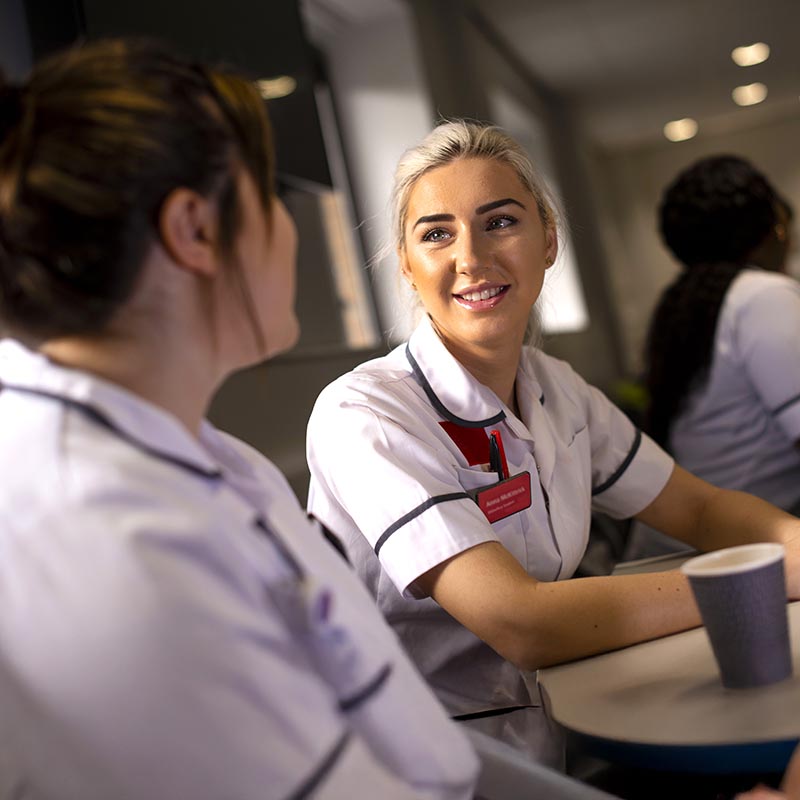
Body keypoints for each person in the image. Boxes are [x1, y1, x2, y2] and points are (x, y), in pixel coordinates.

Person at [0, 40, 478, 799]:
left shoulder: (214, 458)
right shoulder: (102, 535)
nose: (289, 235)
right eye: (272, 199)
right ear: (194, 230)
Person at [305, 121, 800, 767]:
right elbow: (521, 622)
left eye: (500, 222)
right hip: (420, 767)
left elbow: (699, 509)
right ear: (406, 263)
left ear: (548, 240)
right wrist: (757, 582)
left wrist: (791, 544)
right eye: (436, 234)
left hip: (558, 735)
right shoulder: (364, 413)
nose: (472, 258)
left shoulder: (555, 389)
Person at [644, 156, 800, 512]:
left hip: (690, 542)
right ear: (774, 225)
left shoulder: (692, 302)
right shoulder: (762, 295)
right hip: (729, 546)